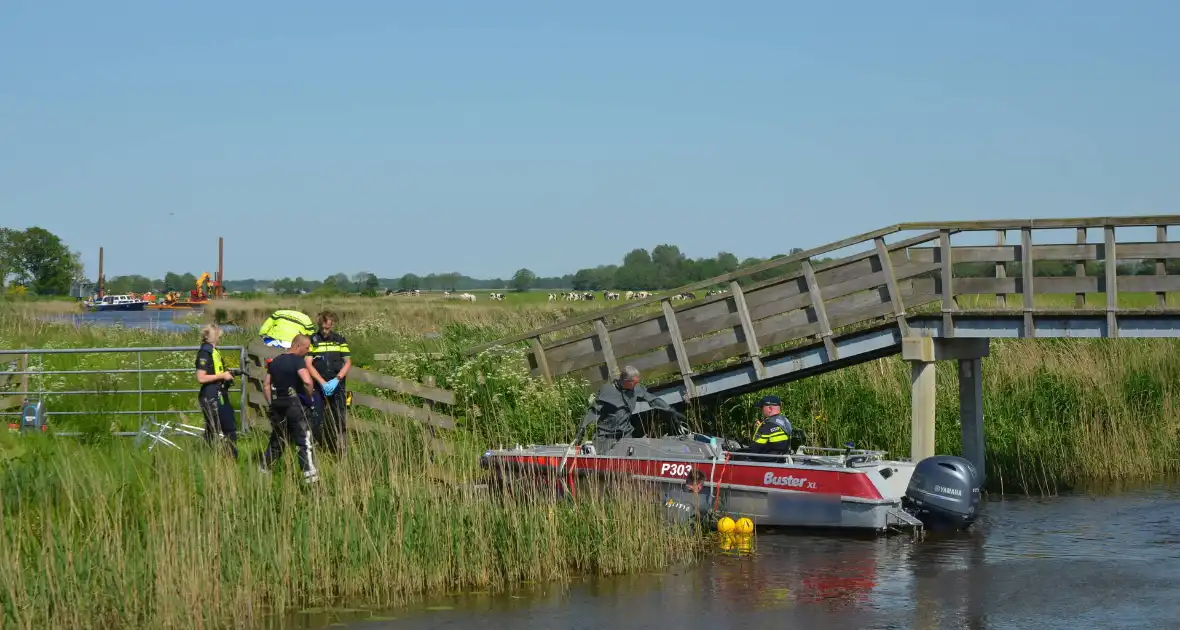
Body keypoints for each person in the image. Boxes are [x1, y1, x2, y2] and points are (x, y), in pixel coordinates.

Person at [575, 365, 686, 454]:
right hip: (606, 437)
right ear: (626, 381)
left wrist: (670, 410)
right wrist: (582, 427)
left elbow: (652, 399)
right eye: (635, 382)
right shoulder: (607, 390)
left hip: (626, 434)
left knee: (631, 457)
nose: (637, 384)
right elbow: (593, 411)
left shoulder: (635, 389)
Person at [260, 334, 319, 483]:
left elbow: (266, 385)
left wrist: (271, 404)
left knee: (277, 442)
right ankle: (312, 481)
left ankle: (262, 475)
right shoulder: (298, 361)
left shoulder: (275, 361)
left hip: (278, 407)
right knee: (304, 443)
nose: (307, 351)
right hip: (296, 406)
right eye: (306, 348)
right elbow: (307, 381)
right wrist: (309, 398)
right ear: (298, 346)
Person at [306, 311, 351, 455]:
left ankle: (340, 450)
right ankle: (316, 449)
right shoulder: (312, 340)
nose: (326, 331)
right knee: (315, 419)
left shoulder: (339, 340)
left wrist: (336, 380)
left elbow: (348, 362)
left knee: (339, 417)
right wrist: (322, 382)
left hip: (337, 385)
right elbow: (308, 364)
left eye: (329, 328)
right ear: (319, 325)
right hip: (319, 387)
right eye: (323, 328)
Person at [194, 324, 238, 458]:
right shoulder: (205, 353)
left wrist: (227, 374)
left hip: (219, 392)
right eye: (219, 335)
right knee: (224, 429)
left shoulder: (213, 351)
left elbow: (215, 371)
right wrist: (222, 376)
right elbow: (201, 377)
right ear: (215, 336)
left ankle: (206, 455)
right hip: (211, 395)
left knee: (214, 429)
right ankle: (230, 458)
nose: (220, 338)